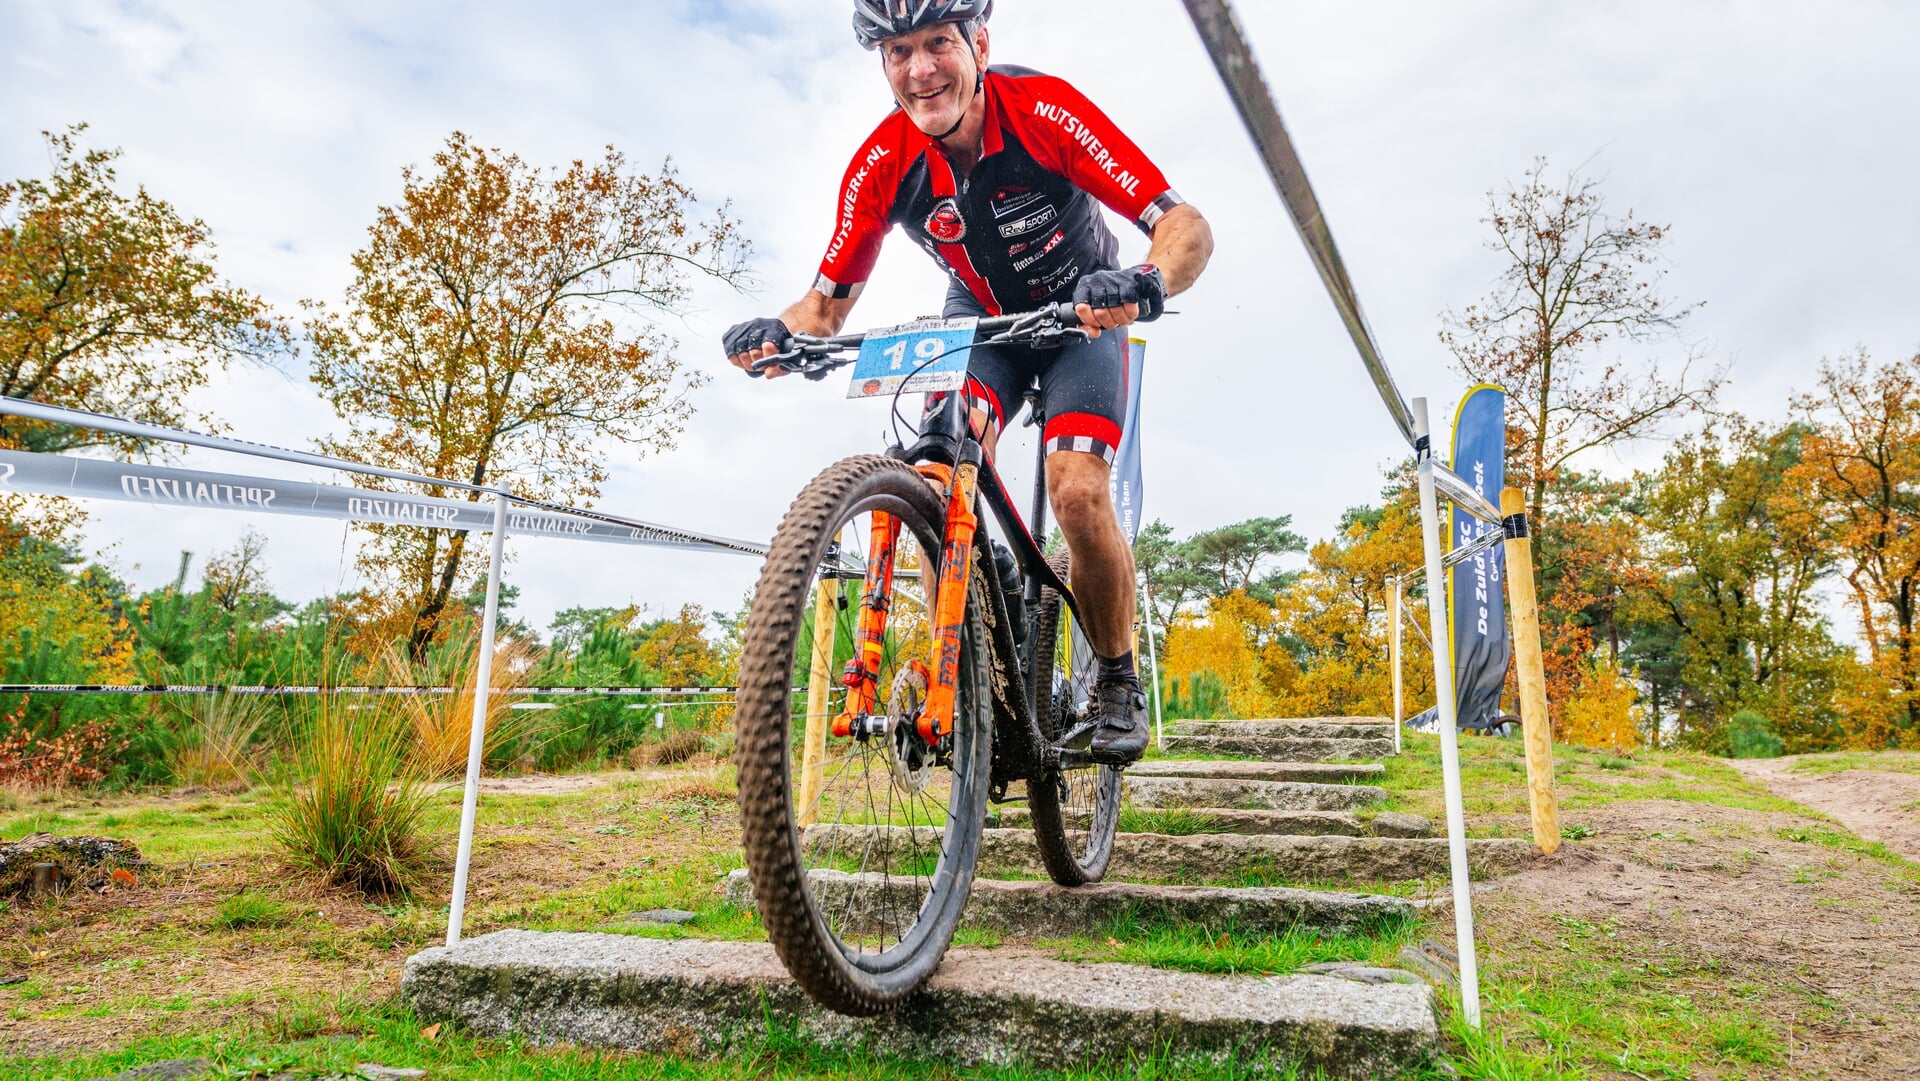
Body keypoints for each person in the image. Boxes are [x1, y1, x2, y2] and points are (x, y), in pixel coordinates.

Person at [724, 0, 1213, 763]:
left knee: (1077, 489)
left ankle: (1116, 678)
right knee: (935, 459)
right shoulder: (883, 163)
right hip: (982, 322)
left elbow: (1185, 226)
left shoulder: (1046, 111)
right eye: (899, 52)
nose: (921, 69)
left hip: (1080, 313)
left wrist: (1147, 278)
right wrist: (780, 332)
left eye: (938, 45)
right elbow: (824, 305)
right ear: (883, 67)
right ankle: (975, 652)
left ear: (978, 43)